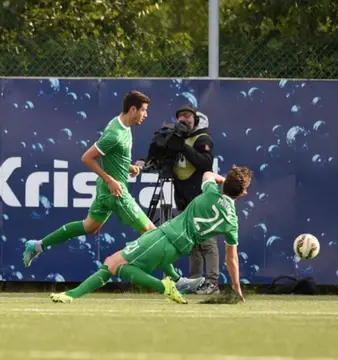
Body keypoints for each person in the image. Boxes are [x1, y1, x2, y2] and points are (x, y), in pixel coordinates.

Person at [22, 91, 204, 294]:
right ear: (133, 109)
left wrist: (129, 168)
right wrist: (111, 181)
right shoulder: (114, 134)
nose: (145, 115)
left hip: (105, 190)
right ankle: (177, 280)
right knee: (153, 233)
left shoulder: (123, 126)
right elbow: (87, 158)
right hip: (116, 193)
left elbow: (113, 158)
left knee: (88, 226)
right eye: (143, 110)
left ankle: (37, 245)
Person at [49, 166, 252, 304]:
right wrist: (236, 288)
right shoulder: (232, 221)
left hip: (166, 236)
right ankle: (70, 296)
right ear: (242, 193)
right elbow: (231, 259)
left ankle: (164, 286)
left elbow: (208, 174)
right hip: (178, 247)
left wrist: (225, 182)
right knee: (115, 264)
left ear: (225, 184)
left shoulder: (211, 192)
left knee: (113, 264)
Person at [168, 104, 219, 294]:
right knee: (192, 245)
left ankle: (212, 283)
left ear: (195, 119)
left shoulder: (202, 137)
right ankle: (195, 281)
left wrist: (182, 147)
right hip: (185, 200)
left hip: (203, 199)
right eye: (180, 116)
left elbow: (206, 163)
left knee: (207, 242)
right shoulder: (177, 139)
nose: (184, 119)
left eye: (188, 116)